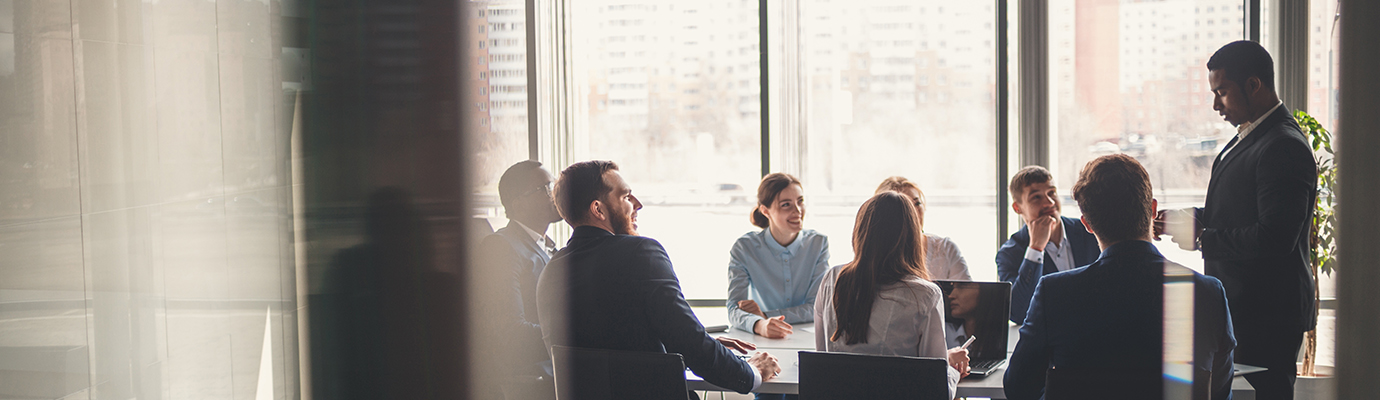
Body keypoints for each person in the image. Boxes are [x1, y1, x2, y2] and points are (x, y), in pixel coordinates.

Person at [1156, 40, 1317, 399]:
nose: (1216, 105)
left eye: (1222, 92)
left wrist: (1203, 238)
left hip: (1268, 316)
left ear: (1254, 85)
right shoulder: (1252, 136)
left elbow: (1276, 237)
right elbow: (1238, 209)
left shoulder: (1283, 145)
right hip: (1247, 309)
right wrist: (1185, 219)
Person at [536, 160, 781, 395]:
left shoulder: (551, 271)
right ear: (598, 209)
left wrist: (704, 342)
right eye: (625, 197)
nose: (638, 204)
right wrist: (751, 372)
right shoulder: (640, 252)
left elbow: (612, 342)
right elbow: (690, 343)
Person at [1005, 154, 1236, 400]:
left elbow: (1018, 388)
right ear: (1152, 209)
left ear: (1087, 224)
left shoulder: (1054, 293)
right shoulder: (1208, 291)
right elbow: (1218, 392)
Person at [814, 192, 971, 400]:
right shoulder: (925, 295)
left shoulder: (832, 279)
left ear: (860, 232)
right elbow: (937, 390)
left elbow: (822, 364)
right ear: (912, 238)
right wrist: (950, 369)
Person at [473, 161, 562, 399]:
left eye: (553, 184)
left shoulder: (550, 248)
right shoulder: (501, 247)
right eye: (545, 188)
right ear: (518, 204)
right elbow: (511, 333)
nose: (555, 193)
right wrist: (572, 334)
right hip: (532, 382)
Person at [727, 173, 830, 339]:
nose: (798, 211)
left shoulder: (818, 244)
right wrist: (759, 325)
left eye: (800, 201)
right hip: (762, 339)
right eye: (786, 205)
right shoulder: (744, 248)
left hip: (807, 338)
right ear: (765, 211)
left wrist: (765, 316)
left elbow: (817, 307)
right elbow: (734, 308)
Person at [996, 166, 1101, 324]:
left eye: (1052, 193)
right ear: (1017, 208)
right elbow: (1017, 313)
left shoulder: (1090, 231)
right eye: (1036, 197)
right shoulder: (1009, 253)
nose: (1049, 202)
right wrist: (1035, 249)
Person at [875, 176, 972, 280]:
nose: (914, 212)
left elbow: (966, 289)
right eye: (905, 207)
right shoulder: (873, 254)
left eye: (917, 203)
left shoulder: (946, 249)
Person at [941, 282, 1005, 356]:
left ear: (985, 290)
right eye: (953, 287)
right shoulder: (942, 332)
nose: (951, 296)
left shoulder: (1000, 339)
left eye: (963, 285)